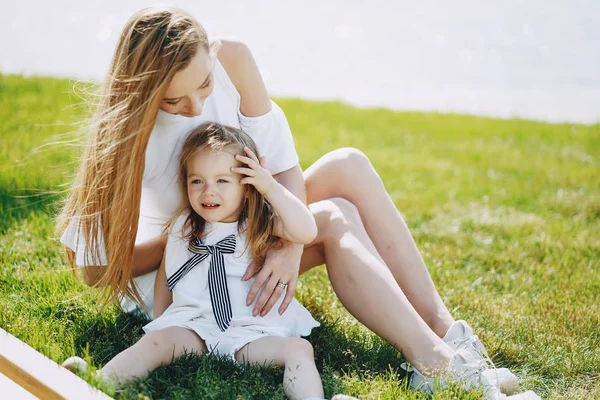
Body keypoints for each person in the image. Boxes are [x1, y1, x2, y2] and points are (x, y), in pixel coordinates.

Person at [56, 6, 539, 399]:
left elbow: (284, 168)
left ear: (211, 55)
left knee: (348, 164)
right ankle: (435, 364)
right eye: (173, 102)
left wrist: (285, 244)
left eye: (203, 86)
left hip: (247, 232)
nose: (197, 108)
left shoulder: (233, 60)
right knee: (333, 216)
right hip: (188, 280)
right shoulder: (121, 134)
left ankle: (446, 339)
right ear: (143, 93)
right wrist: (186, 237)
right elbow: (94, 269)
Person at [64, 123, 358, 400]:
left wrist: (270, 187)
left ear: (246, 186)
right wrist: (162, 322)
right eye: (197, 181)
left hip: (250, 331)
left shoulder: (257, 222)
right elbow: (168, 277)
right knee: (153, 343)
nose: (209, 191)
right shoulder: (183, 226)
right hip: (194, 328)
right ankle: (102, 380)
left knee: (298, 349)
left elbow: (306, 230)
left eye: (222, 181)